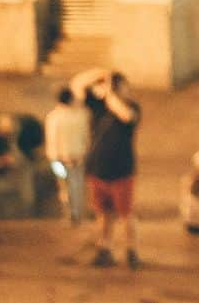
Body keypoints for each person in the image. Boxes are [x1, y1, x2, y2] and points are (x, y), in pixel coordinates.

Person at [72, 69, 142, 268]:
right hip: (98, 169)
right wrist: (101, 73)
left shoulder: (132, 107)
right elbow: (77, 84)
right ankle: (105, 249)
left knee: (126, 214)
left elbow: (125, 116)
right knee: (103, 214)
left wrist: (109, 94)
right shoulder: (98, 106)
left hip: (121, 171)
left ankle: (132, 251)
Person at [44, 87, 89, 224]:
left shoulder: (53, 117)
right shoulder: (80, 116)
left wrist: (53, 157)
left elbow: (51, 139)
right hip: (77, 157)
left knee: (64, 187)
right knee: (77, 185)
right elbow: (86, 137)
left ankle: (68, 214)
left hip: (59, 159)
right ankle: (77, 213)